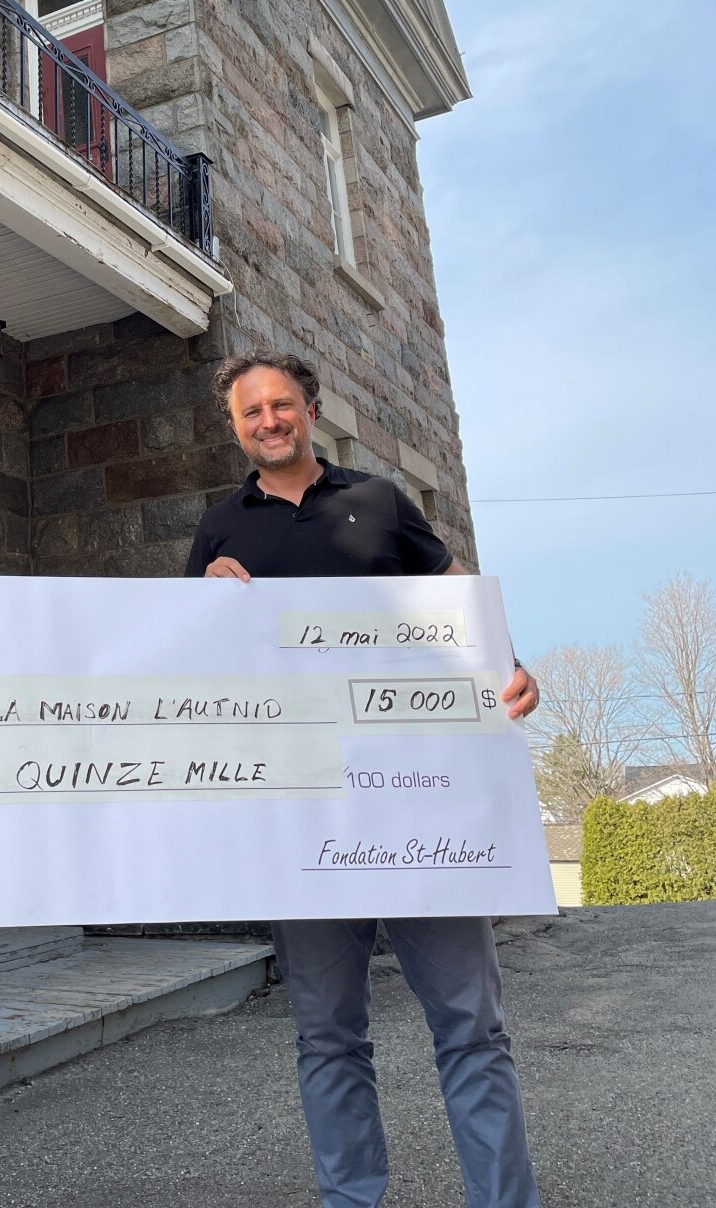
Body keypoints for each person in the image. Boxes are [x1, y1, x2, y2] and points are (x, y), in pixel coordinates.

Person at [185, 351, 542, 1208]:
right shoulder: (217, 529)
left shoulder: (380, 501)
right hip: (304, 826)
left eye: (281, 405)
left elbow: (456, 601)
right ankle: (353, 1200)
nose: (268, 421)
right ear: (234, 428)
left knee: (471, 1030)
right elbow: (193, 673)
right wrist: (200, 598)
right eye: (250, 413)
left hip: (425, 807)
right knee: (328, 1037)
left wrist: (511, 665)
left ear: (310, 408)